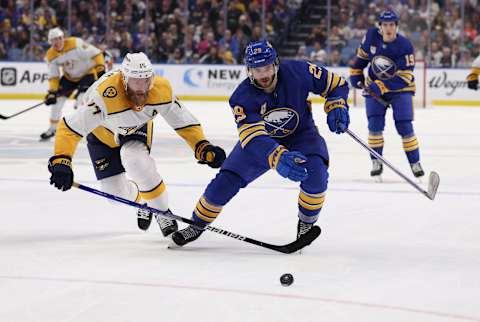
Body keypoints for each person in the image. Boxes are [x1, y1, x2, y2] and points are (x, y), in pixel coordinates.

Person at [170, 39, 350, 247]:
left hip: (301, 135)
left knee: (317, 174)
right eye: (256, 70)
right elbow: (253, 138)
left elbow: (336, 84)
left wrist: (337, 104)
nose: (262, 75)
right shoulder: (241, 97)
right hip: (263, 142)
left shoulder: (300, 71)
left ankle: (306, 223)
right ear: (249, 70)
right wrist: (277, 156)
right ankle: (197, 224)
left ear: (275, 64)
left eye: (266, 67)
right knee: (225, 182)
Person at [48, 52, 226, 236]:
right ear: (124, 79)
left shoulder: (161, 89)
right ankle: (144, 202)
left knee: (135, 160)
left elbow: (182, 121)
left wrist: (202, 146)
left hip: (134, 128)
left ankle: (162, 211)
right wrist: (62, 160)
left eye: (146, 80)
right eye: (136, 81)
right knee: (115, 195)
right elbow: (70, 127)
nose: (142, 88)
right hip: (102, 135)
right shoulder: (104, 97)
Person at [349, 10, 425, 179]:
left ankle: (414, 162)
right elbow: (361, 59)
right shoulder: (370, 37)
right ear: (380, 26)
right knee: (374, 126)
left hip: (400, 90)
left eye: (391, 25)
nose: (388, 28)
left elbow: (405, 77)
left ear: (397, 27)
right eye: (385, 25)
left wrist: (381, 86)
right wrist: (356, 73)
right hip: (375, 87)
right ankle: (376, 161)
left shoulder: (405, 45)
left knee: (405, 126)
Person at [40, 27, 106, 141]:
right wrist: (52, 92)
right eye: (53, 40)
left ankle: (83, 129)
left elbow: (97, 54)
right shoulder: (51, 55)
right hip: (69, 78)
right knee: (57, 103)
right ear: (50, 42)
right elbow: (54, 76)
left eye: (59, 38)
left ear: (63, 38)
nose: (57, 42)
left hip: (87, 74)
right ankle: (52, 129)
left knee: (82, 101)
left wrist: (100, 70)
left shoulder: (75, 43)